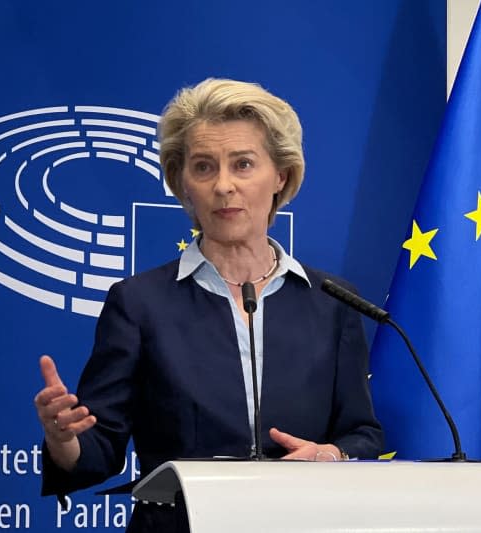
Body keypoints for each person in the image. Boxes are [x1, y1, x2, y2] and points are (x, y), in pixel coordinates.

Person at [34, 78, 384, 531]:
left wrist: (332, 453)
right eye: (203, 167)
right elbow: (100, 450)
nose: (223, 186)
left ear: (280, 175)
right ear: (183, 184)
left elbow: (364, 433)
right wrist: (65, 440)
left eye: (243, 164)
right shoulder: (139, 303)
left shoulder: (334, 302)